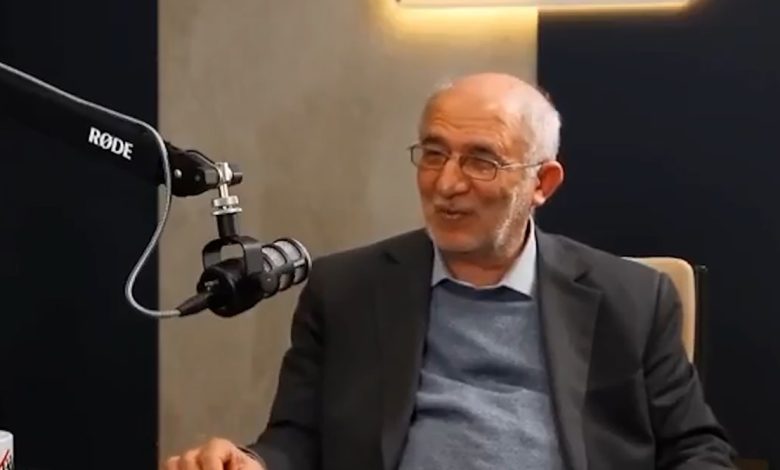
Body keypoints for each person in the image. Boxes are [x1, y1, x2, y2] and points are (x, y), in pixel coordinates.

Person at [164, 73, 736, 470]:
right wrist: (252, 463)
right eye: (434, 154)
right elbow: (297, 439)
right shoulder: (345, 291)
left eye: (481, 160)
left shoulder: (631, 298)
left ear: (542, 183)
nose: (447, 184)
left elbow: (697, 450)